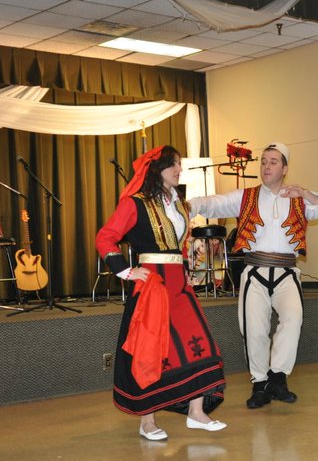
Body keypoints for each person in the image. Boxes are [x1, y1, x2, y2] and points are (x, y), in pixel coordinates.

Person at [190, 142, 318, 409]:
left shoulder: (299, 198)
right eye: (264, 161)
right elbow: (214, 204)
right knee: (254, 330)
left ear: (284, 168)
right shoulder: (245, 196)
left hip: (287, 272)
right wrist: (189, 205)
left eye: (273, 162)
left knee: (293, 320)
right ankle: (260, 384)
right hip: (256, 271)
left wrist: (305, 193)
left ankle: (278, 377)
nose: (267, 166)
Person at [96, 146, 227, 441]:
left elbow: (179, 244)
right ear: (158, 168)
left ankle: (196, 412)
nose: (179, 169)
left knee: (201, 341)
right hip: (153, 285)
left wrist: (188, 269)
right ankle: (147, 421)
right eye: (174, 165)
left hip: (179, 283)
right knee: (151, 349)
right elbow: (105, 237)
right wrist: (126, 271)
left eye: (179, 164)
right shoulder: (135, 203)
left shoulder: (180, 204)